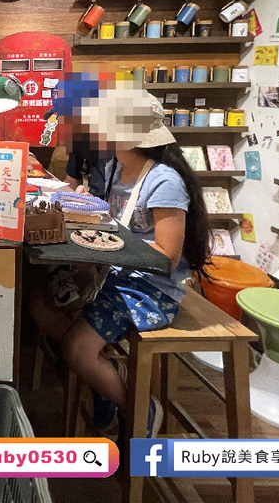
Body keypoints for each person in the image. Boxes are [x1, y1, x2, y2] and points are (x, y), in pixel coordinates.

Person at [30, 88, 211, 441]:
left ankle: (138, 407)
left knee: (76, 349)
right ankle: (104, 374)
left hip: (150, 289)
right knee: (39, 302)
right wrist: (87, 205)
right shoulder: (117, 168)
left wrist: (108, 240)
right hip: (112, 275)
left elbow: (167, 256)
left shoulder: (164, 181)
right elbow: (112, 220)